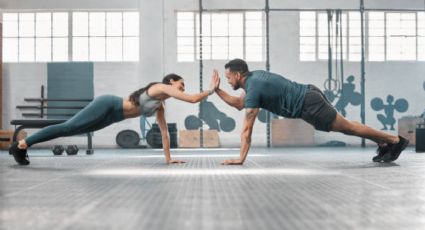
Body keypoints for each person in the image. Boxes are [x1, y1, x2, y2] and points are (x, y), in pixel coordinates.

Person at [213, 58, 409, 165]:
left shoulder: (254, 88)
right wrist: (217, 90)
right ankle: (384, 143)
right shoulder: (253, 80)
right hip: (308, 95)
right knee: (348, 128)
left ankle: (394, 141)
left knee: (348, 128)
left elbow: (246, 129)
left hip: (308, 104)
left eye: (228, 78)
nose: (228, 81)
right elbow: (239, 104)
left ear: (238, 75)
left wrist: (241, 158)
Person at [10, 73, 219, 165]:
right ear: (172, 81)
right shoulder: (161, 87)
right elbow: (192, 100)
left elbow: (164, 134)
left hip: (113, 117)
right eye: (181, 84)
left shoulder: (160, 105)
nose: (183, 88)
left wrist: (169, 158)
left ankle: (21, 145)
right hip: (109, 104)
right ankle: (21, 144)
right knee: (68, 127)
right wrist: (211, 89)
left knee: (72, 130)